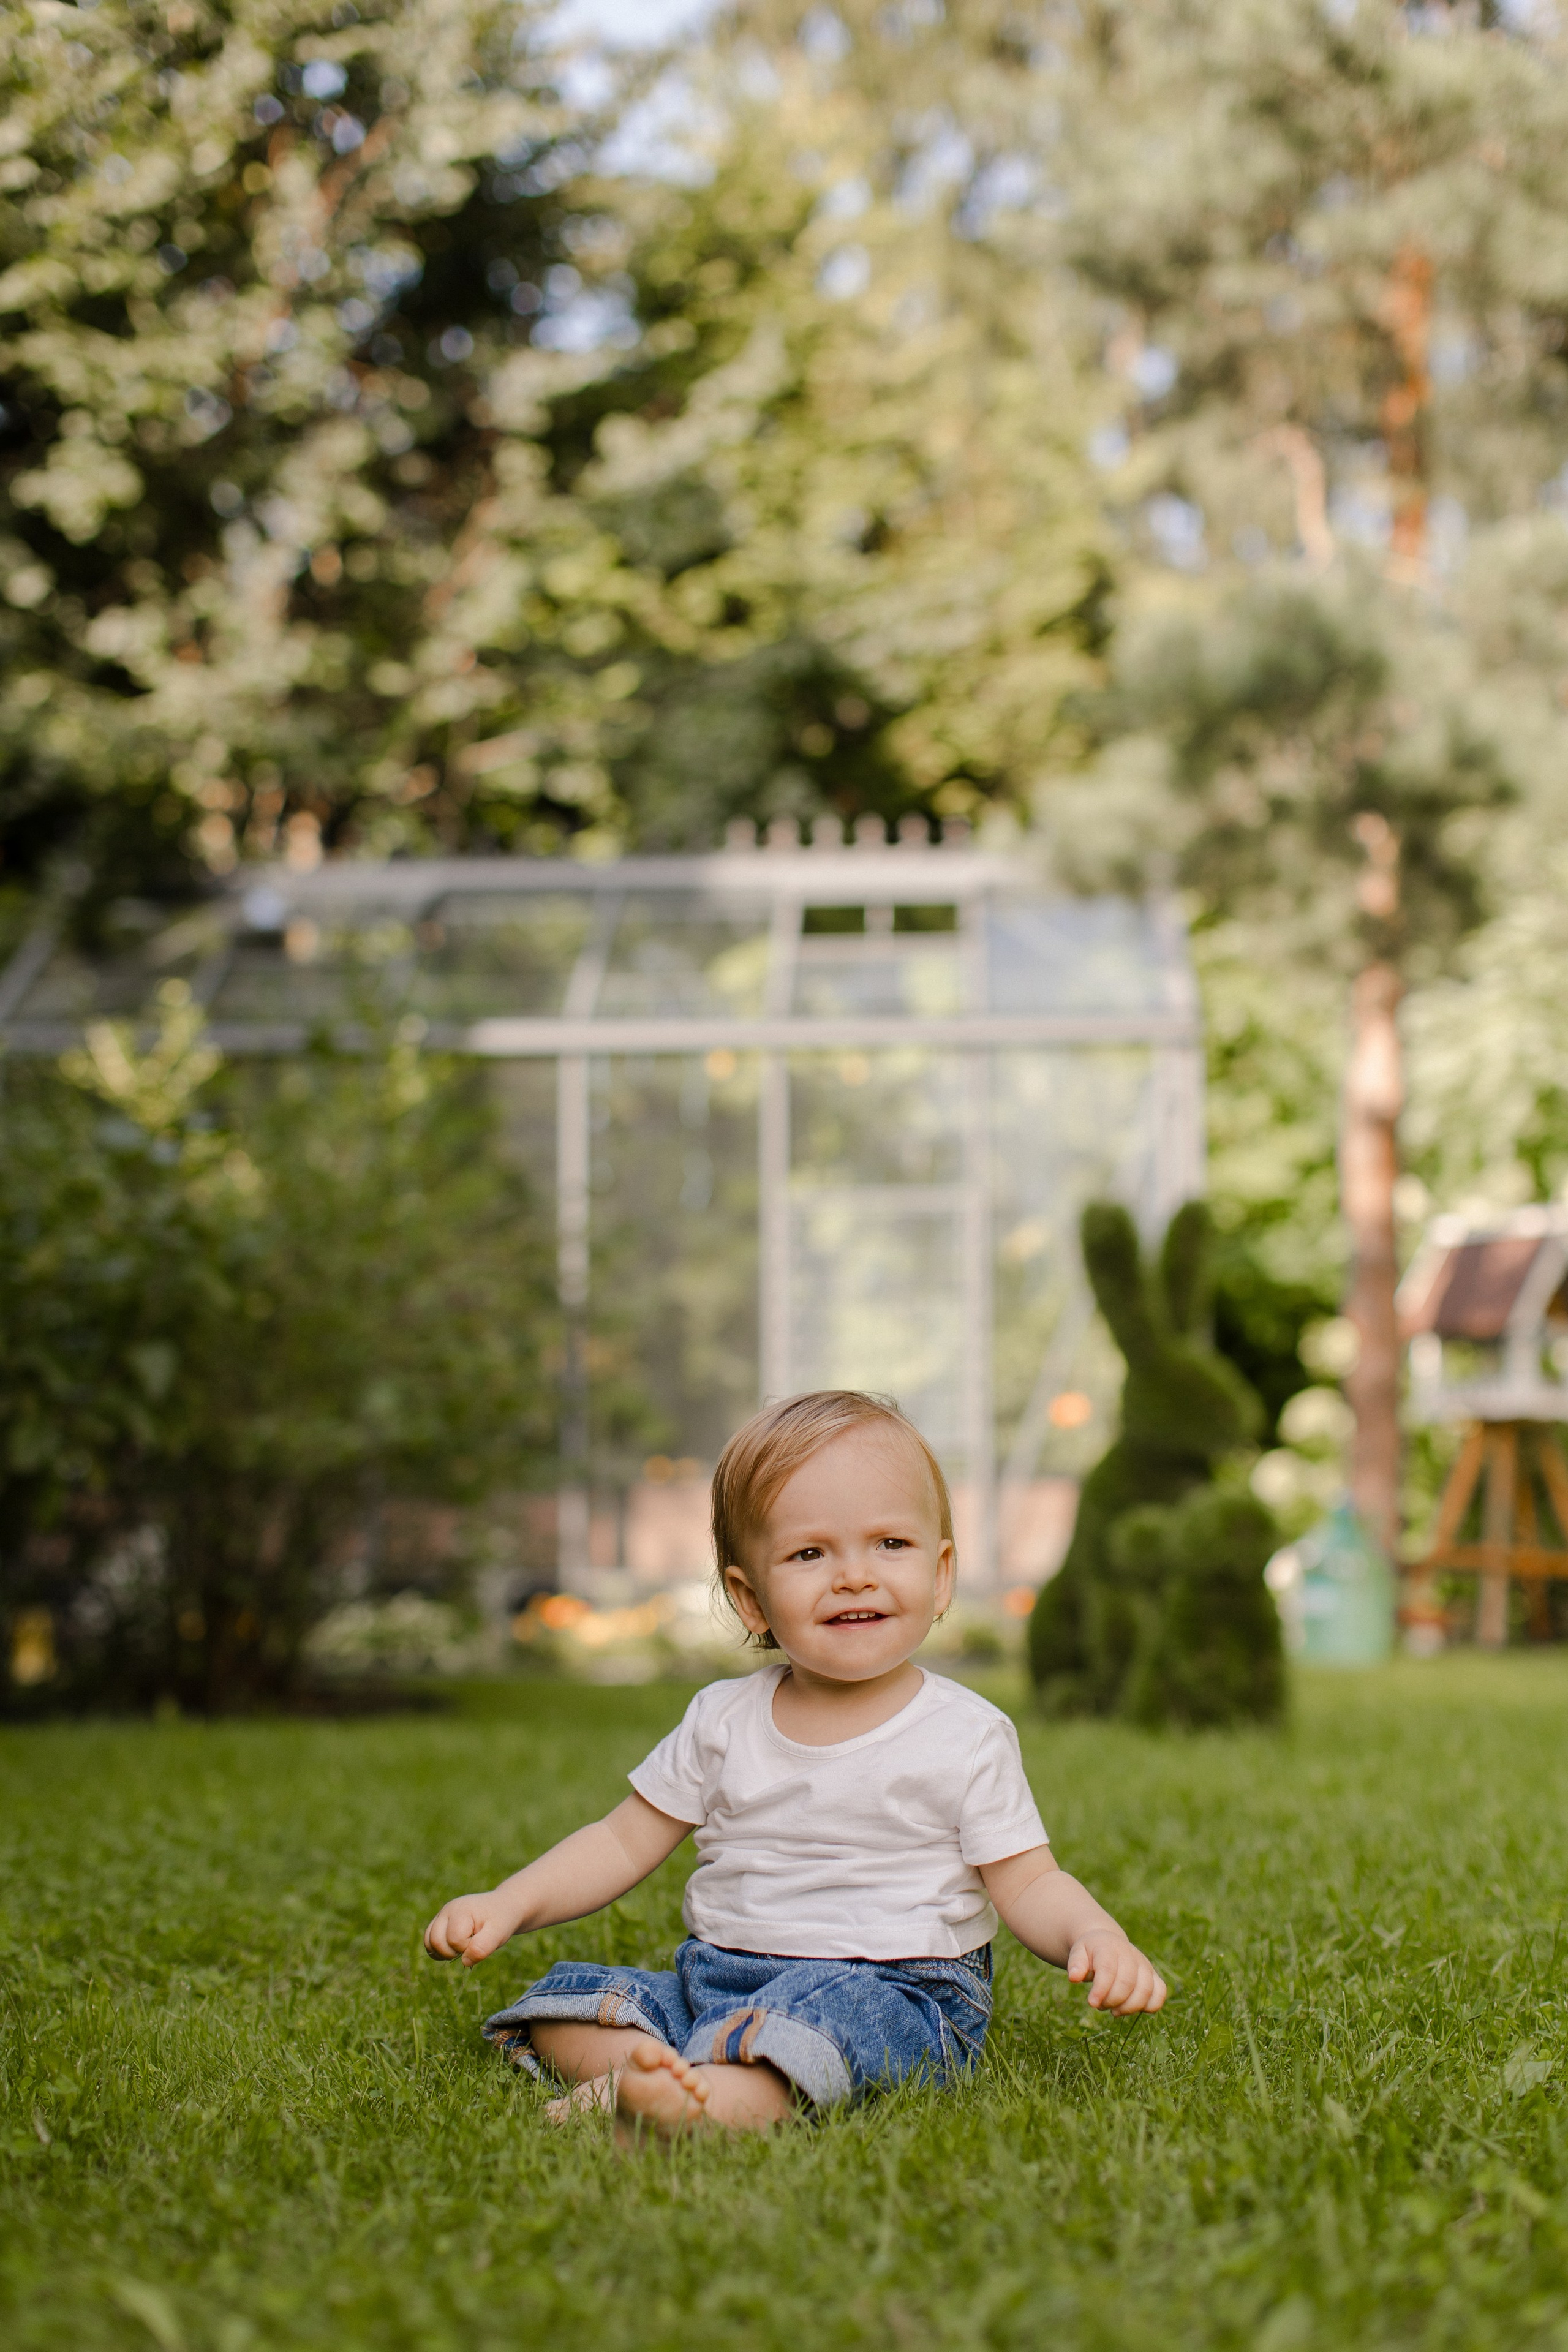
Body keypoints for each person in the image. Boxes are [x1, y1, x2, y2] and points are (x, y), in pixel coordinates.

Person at [424, 1390, 1167, 2136]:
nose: (854, 1576)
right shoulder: (723, 1721)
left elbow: (1029, 1880)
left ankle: (691, 2100)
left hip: (892, 1991)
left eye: (890, 1545)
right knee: (567, 2008)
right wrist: (509, 1903)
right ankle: (660, 2080)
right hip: (721, 1978)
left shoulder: (963, 1734)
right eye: (810, 1553)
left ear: (941, 1574)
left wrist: (1092, 1935)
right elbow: (621, 1841)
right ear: (751, 1599)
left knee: (805, 2038)